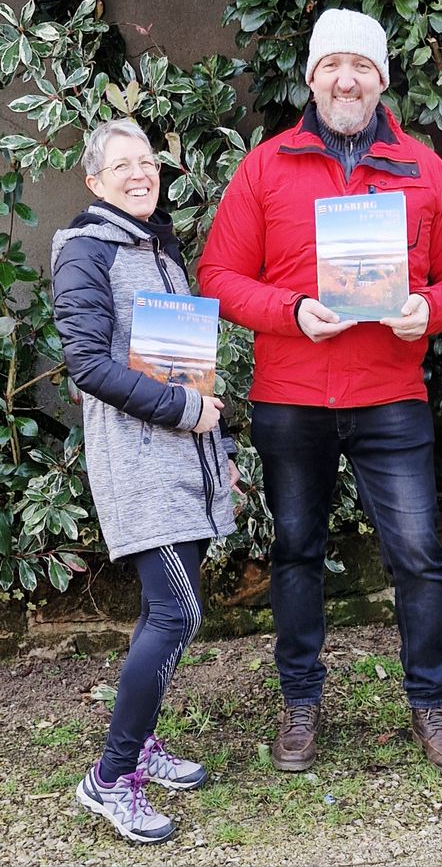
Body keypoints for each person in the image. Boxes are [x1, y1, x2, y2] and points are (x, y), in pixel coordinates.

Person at [198, 8, 442, 775]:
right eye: (332, 64)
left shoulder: (422, 169)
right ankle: (300, 704)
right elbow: (218, 275)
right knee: (296, 552)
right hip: (292, 396)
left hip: (389, 395)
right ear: (311, 78)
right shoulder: (265, 167)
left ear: (382, 80)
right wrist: (291, 311)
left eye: (361, 66)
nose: (346, 79)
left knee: (417, 556)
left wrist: (432, 307)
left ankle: (430, 705)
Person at [51, 119, 238, 843]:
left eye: (149, 162)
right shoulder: (85, 249)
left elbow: (183, 367)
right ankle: (109, 778)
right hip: (138, 463)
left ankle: (142, 743)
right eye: (123, 165)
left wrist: (214, 447)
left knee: (167, 611)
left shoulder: (156, 245)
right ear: (94, 181)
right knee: (177, 613)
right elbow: (89, 367)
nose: (141, 174)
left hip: (182, 457)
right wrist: (188, 412)